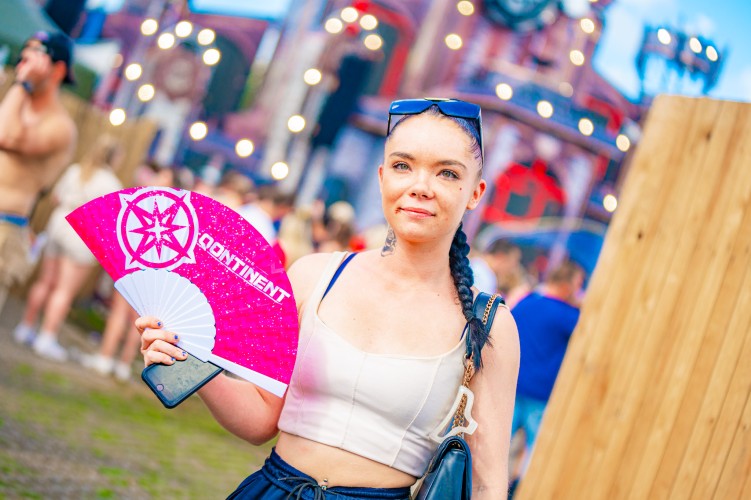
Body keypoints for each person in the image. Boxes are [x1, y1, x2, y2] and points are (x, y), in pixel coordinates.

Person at [136, 98, 520, 498]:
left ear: (475, 193)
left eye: (447, 173)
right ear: (382, 176)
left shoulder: (488, 324)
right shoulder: (312, 276)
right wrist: (192, 362)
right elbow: (262, 419)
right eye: (402, 166)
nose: (420, 187)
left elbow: (487, 484)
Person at [13, 135, 124, 361]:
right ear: (114, 158)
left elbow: (55, 197)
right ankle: (46, 338)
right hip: (82, 233)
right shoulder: (111, 184)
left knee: (44, 282)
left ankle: (25, 327)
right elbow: (110, 220)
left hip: (59, 224)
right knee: (64, 290)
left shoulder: (75, 170)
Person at [80, 161, 179, 380]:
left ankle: (106, 358)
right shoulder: (178, 212)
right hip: (154, 270)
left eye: (163, 176)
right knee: (141, 319)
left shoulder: (146, 201)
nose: (157, 178)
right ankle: (123, 364)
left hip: (136, 264)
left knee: (123, 313)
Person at [0, 31, 77, 311]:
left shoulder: (60, 126)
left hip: (4, 229)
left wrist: (22, 84)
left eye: (35, 57)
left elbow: (5, 135)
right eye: (23, 57)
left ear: (58, 70)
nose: (24, 64)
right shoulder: (14, 104)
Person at [508, 259, 585, 493]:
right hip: (540, 395)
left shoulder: (527, 302)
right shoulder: (568, 316)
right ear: (567, 285)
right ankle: (522, 491)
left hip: (511, 386)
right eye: (578, 285)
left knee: (498, 445)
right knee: (536, 451)